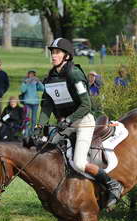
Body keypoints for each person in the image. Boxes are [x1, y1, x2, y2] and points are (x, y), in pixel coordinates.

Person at [39, 37, 123, 208]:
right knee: (46, 151)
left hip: (83, 121)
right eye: (52, 52)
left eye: (57, 52)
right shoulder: (51, 77)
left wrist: (69, 120)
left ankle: (112, 184)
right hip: (66, 124)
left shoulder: (74, 74)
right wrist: (39, 125)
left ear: (67, 56)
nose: (53, 56)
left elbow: (86, 105)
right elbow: (46, 104)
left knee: (78, 162)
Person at [20, 70, 44, 137]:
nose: (31, 76)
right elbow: (22, 90)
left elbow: (42, 88)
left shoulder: (36, 83)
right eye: (30, 74)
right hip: (27, 103)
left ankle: (32, 134)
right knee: (27, 119)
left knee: (34, 120)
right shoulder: (25, 82)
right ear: (28, 75)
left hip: (35, 103)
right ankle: (26, 134)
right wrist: (25, 82)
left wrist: (38, 81)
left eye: (33, 75)